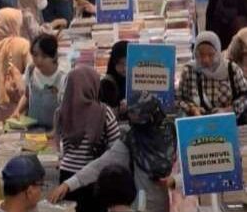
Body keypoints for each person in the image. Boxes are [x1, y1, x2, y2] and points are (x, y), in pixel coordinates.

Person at [49, 97, 176, 212]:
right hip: (143, 205)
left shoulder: (176, 137)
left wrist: (175, 180)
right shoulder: (132, 139)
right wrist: (68, 184)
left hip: (178, 205)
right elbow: (101, 164)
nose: (138, 129)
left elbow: (192, 172)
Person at [57, 65, 120, 212]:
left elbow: (64, 146)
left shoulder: (62, 111)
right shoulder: (104, 112)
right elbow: (116, 147)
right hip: (93, 176)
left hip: (66, 175)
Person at [177, 31, 247, 117]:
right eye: (201, 55)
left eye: (211, 55)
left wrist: (228, 110)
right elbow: (179, 99)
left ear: (218, 53)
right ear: (195, 53)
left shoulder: (232, 69)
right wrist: (192, 109)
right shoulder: (189, 70)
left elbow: (244, 96)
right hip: (198, 124)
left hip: (228, 122)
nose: (206, 60)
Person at [14, 34, 67, 130]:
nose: (39, 60)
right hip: (32, 129)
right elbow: (27, 95)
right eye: (35, 55)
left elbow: (66, 110)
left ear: (54, 56)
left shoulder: (63, 76)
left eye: (44, 56)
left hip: (54, 130)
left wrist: (54, 133)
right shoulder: (30, 70)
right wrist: (17, 111)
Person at [106, 41, 129, 105]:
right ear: (114, 63)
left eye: (128, 63)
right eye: (120, 63)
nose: (124, 68)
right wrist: (118, 109)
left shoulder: (137, 80)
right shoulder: (107, 83)